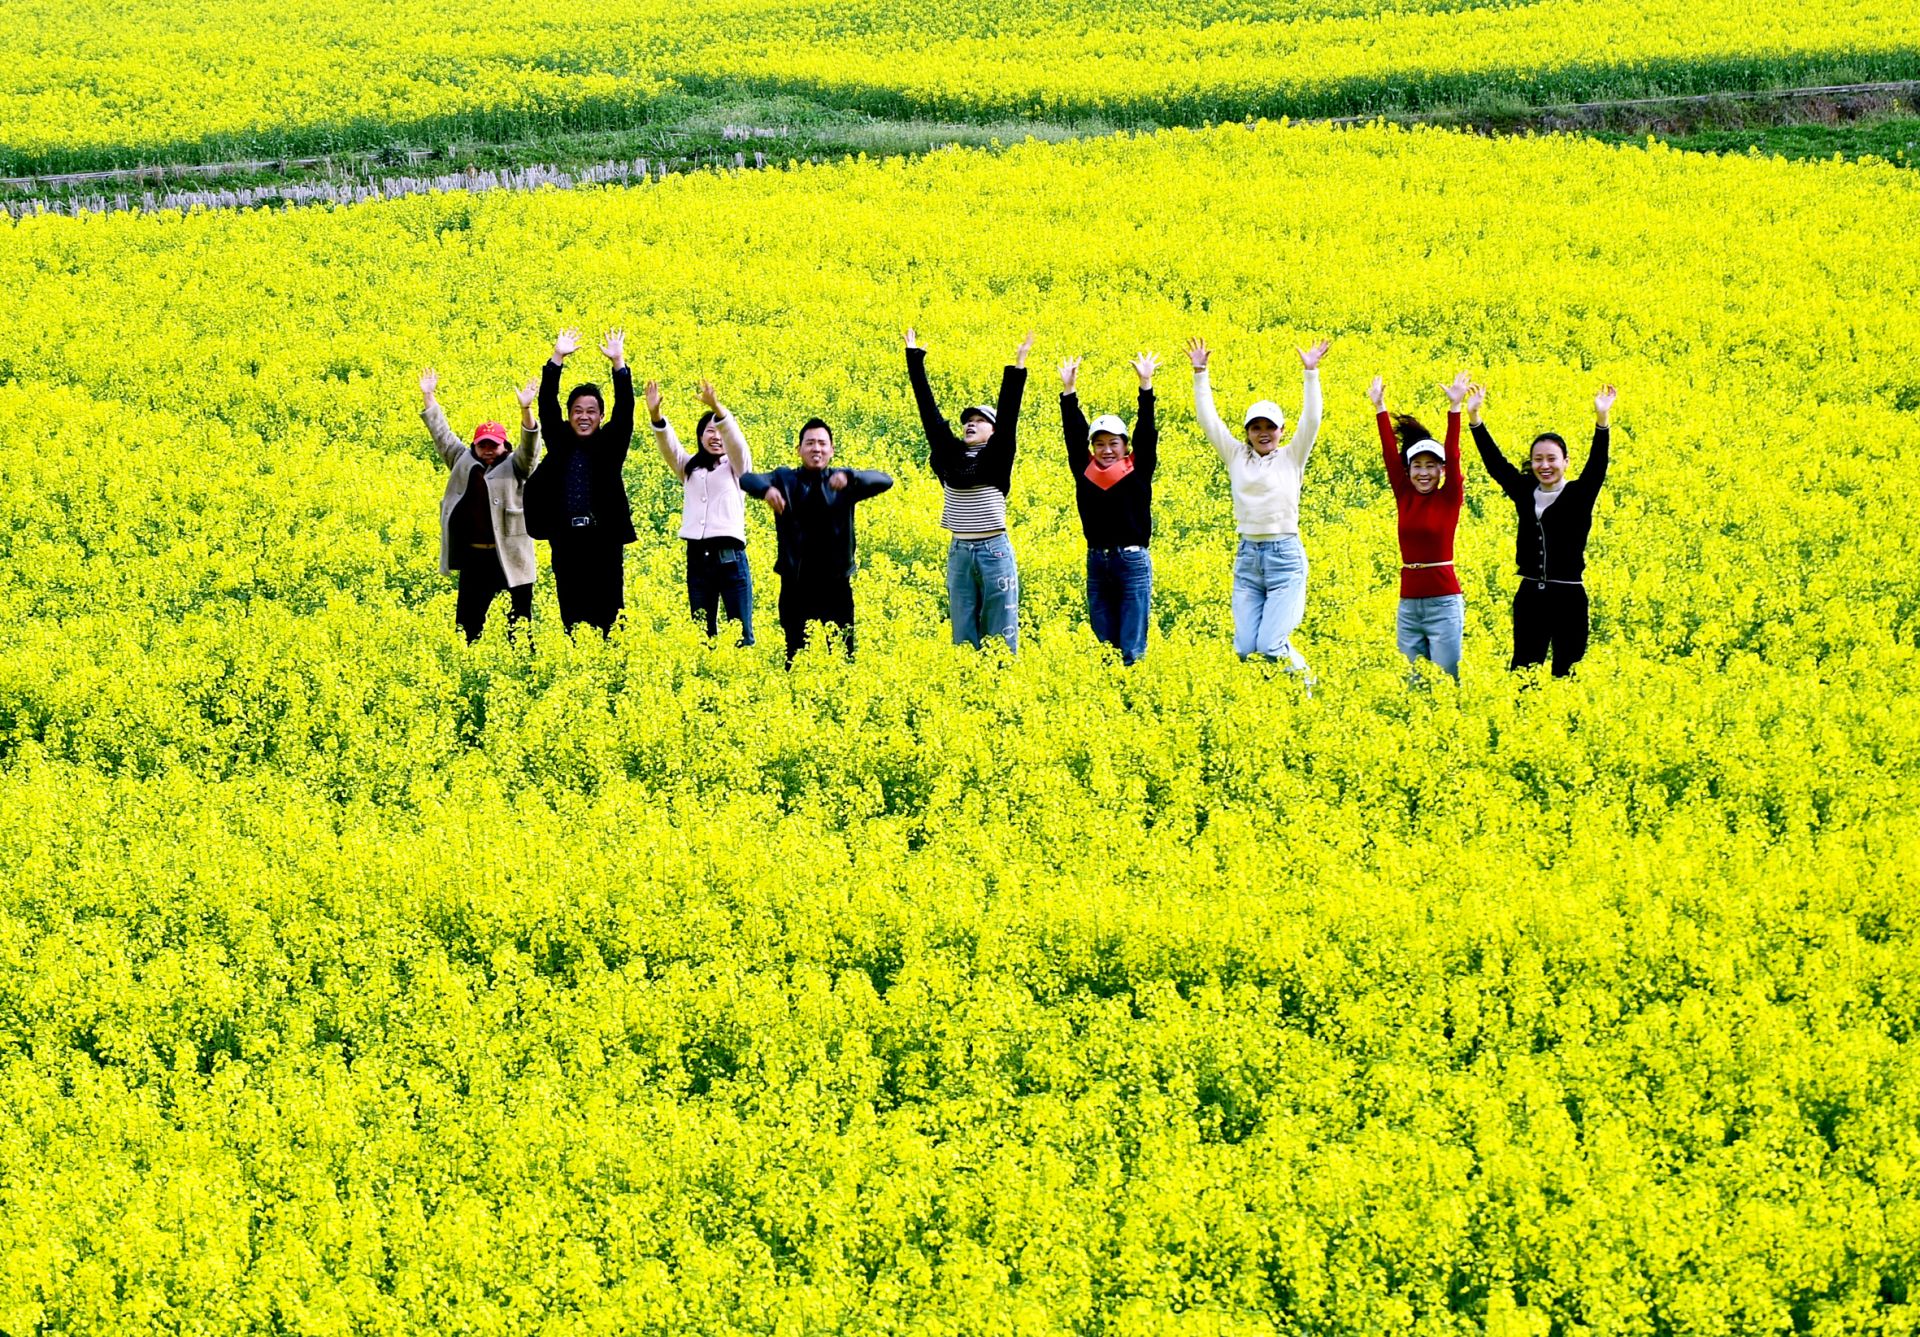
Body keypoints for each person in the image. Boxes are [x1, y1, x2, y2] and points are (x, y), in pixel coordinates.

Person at [1188, 335, 1331, 676]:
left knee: (1270, 646)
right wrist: (1200, 373)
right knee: (1245, 649)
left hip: (1284, 558)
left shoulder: (1292, 457)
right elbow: (1209, 421)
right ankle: (1272, 695)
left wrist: (1311, 373)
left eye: (1270, 427)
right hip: (1248, 558)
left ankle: (1305, 679)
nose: (1263, 432)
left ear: (1282, 430)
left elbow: (1311, 421)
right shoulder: (1235, 455)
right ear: (1247, 431)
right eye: (1256, 427)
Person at [1470, 383, 1616, 676]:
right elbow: (1496, 464)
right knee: (1523, 670)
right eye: (1538, 459)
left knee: (1568, 671)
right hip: (1530, 597)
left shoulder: (1579, 494)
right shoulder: (1524, 491)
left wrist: (1602, 420)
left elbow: (1597, 466)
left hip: (1569, 598)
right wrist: (1475, 419)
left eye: (1552, 459)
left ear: (1565, 462)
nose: (1544, 465)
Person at [904, 328, 1033, 651]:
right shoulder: (950, 457)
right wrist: (914, 359)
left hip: (994, 551)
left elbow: (1010, 418)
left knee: (1001, 634)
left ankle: (1000, 686)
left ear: (993, 429)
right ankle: (968, 686)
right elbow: (929, 415)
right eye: (967, 420)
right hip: (960, 552)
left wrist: (1018, 366)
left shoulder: (997, 457)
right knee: (963, 634)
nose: (970, 423)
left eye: (980, 420)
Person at [740, 420, 894, 664]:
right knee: (796, 657)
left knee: (843, 655)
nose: (816, 449)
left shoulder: (843, 482)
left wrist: (850, 476)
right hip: (795, 587)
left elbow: (885, 480)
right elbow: (747, 479)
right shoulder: (784, 479)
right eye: (810, 443)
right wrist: (767, 491)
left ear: (832, 450)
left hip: (836, 587)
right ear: (798, 449)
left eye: (822, 444)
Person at [417, 367, 542, 642]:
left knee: (519, 625)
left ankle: (522, 667)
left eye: (493, 445)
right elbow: (442, 434)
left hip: (510, 555)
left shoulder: (516, 465)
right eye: (482, 444)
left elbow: (531, 448)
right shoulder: (462, 460)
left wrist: (526, 409)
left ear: (504, 445)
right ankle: (468, 657)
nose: (487, 449)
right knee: (467, 626)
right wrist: (429, 396)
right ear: (474, 445)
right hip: (475, 558)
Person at [525, 327, 636, 635]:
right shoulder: (559, 441)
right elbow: (547, 404)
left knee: (610, 609)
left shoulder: (611, 444)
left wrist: (618, 362)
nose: (583, 416)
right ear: (569, 415)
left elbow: (625, 410)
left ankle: (609, 659)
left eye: (591, 411)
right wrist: (557, 357)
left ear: (600, 416)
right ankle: (578, 655)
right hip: (566, 539)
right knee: (571, 610)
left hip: (605, 539)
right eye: (577, 411)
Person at [1059, 351, 1159, 665]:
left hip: (1131, 561)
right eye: (1099, 444)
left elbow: (1147, 433)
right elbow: (1074, 437)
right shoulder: (1086, 472)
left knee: (1131, 645)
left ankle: (1130, 699)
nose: (1106, 450)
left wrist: (1146, 386)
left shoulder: (1138, 469)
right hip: (1097, 561)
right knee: (1104, 646)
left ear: (1125, 447)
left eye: (1113, 443)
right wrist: (1069, 393)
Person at [1369, 371, 1469, 679]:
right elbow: (1389, 454)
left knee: (1446, 680)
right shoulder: (1405, 495)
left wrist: (1455, 410)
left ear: (1441, 471)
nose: (1423, 473)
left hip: (1443, 604)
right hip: (1409, 606)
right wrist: (1380, 408)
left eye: (1431, 466)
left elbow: (1453, 455)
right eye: (1417, 466)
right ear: (1409, 469)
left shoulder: (1449, 497)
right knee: (1413, 684)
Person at [647, 377, 755, 646]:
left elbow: (737, 442)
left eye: (718, 431)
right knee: (701, 635)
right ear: (700, 436)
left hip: (731, 561)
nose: (716, 436)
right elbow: (669, 446)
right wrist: (655, 414)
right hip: (698, 560)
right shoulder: (688, 469)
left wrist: (718, 410)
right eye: (709, 431)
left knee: (740, 635)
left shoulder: (737, 468)